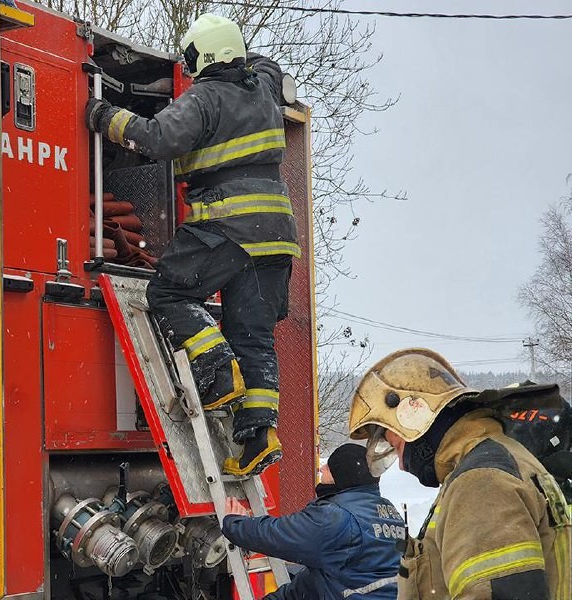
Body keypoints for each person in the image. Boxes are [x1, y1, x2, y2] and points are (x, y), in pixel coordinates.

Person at [85, 13, 300, 476]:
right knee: (254, 336)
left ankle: (218, 374)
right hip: (277, 236)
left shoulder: (205, 96)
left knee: (168, 292)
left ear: (204, 54)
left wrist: (104, 116)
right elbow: (268, 65)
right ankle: (258, 439)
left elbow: (158, 138)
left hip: (227, 226)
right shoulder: (262, 85)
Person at [348, 348, 572, 600]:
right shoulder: (492, 461)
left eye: (397, 446)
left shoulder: (481, 482)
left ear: (417, 414)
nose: (401, 465)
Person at [222, 443, 405, 599]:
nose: (322, 469)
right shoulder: (387, 513)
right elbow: (320, 581)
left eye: (329, 468)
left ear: (342, 476)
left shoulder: (338, 516)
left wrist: (235, 524)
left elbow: (279, 535)